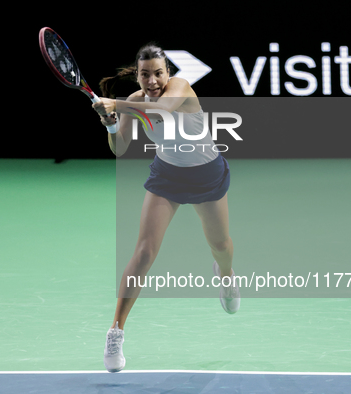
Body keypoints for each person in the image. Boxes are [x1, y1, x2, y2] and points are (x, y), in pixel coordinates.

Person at [92, 43, 240, 373]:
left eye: (158, 73)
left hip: (207, 175)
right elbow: (120, 149)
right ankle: (115, 331)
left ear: (167, 73)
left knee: (221, 246)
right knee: (144, 252)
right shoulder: (132, 102)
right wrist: (111, 123)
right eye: (146, 74)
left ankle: (226, 275)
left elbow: (161, 110)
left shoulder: (181, 89)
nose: (153, 80)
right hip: (168, 175)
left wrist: (114, 104)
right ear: (139, 76)